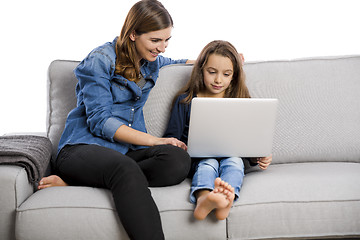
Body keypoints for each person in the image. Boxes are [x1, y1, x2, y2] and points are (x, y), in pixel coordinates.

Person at [38, 1, 193, 239]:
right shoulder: (99, 59)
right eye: (155, 40)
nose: (162, 48)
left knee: (178, 161)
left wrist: (219, 58)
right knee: (125, 168)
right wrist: (155, 141)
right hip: (82, 148)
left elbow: (178, 62)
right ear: (133, 33)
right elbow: (101, 121)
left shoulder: (150, 61)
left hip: (123, 153)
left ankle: (77, 184)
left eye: (167, 40)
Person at [163, 40, 272, 221]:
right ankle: (204, 198)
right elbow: (170, 137)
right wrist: (179, 146)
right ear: (201, 70)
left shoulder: (241, 100)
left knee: (235, 163)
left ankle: (224, 201)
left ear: (234, 77)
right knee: (209, 162)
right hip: (198, 159)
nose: (218, 80)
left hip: (234, 156)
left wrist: (259, 156)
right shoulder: (185, 101)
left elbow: (250, 139)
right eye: (211, 72)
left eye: (226, 74)